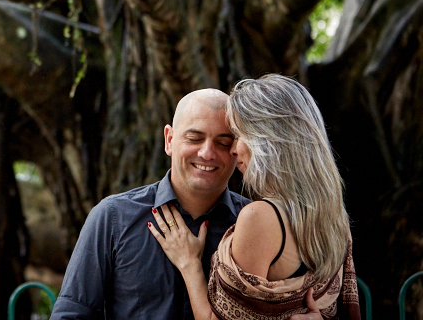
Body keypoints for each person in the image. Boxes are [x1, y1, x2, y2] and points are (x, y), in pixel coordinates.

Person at [49, 88, 321, 320]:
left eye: (223, 143)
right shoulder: (114, 217)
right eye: (194, 138)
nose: (207, 153)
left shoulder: (258, 226)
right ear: (169, 140)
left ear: (237, 150)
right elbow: (71, 314)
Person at [149, 75, 360, 319]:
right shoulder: (333, 217)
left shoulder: (259, 217)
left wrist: (189, 264)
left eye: (238, 135)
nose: (234, 149)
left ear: (268, 140)